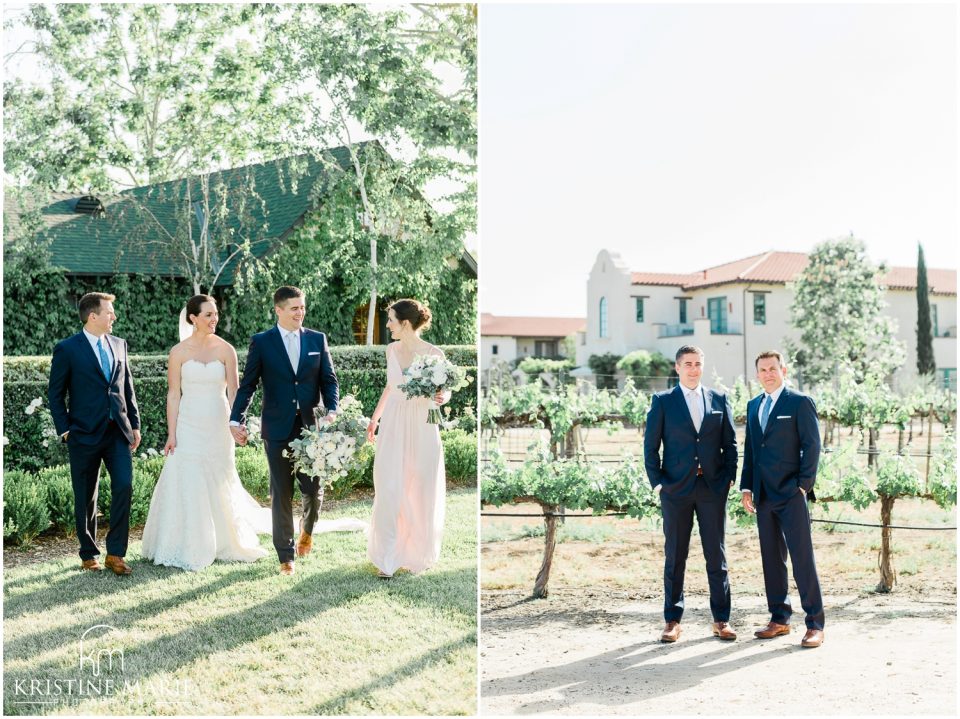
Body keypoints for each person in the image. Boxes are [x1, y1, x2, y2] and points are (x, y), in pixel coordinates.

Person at [141, 295, 271, 571]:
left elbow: (236, 391)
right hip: (188, 424)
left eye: (216, 315)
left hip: (217, 422)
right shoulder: (178, 352)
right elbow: (174, 394)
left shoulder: (226, 350)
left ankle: (224, 541)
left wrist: (237, 423)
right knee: (187, 477)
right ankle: (186, 542)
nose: (214, 319)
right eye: (208, 315)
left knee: (220, 477)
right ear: (193, 318)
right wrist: (171, 433)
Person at [229, 286, 342, 576]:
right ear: (278, 310)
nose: (300, 312)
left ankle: (307, 530)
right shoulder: (262, 342)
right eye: (294, 308)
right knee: (281, 492)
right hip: (277, 427)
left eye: (302, 307)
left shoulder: (318, 339)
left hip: (311, 428)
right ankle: (286, 555)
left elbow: (329, 380)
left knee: (313, 489)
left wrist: (331, 410)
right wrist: (235, 419)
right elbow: (249, 384)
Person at [644, 345, 739, 642]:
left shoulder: (719, 399)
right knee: (675, 556)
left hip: (712, 488)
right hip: (675, 490)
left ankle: (721, 619)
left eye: (698, 363)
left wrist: (728, 479)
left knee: (716, 557)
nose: (694, 369)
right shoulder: (663, 402)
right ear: (677, 368)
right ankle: (672, 619)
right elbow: (650, 447)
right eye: (688, 364)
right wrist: (659, 484)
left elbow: (731, 444)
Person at [48, 292, 142, 575]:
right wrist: (65, 430)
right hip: (83, 434)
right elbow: (56, 394)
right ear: (93, 316)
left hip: (117, 432)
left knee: (124, 485)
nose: (114, 316)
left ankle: (116, 554)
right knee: (86, 496)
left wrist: (134, 424)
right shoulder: (67, 349)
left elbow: (127, 388)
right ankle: (88, 553)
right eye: (109, 312)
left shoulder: (119, 344)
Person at [740, 350, 825, 648]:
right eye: (762, 370)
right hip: (762, 495)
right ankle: (779, 618)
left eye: (773, 368)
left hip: (791, 494)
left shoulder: (800, 402)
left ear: (783, 370)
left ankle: (815, 623)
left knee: (802, 558)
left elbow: (813, 446)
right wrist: (746, 487)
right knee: (771, 560)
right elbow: (752, 450)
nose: (768, 374)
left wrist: (803, 486)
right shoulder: (753, 406)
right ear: (757, 374)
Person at [366, 299, 449, 578]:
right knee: (388, 485)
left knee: (420, 486)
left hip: (423, 422)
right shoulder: (391, 349)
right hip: (394, 422)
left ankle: (415, 552)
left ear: (405, 323)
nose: (387, 324)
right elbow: (391, 386)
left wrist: (441, 396)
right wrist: (375, 418)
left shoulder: (434, 353)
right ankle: (386, 557)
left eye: (390, 319)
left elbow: (444, 390)